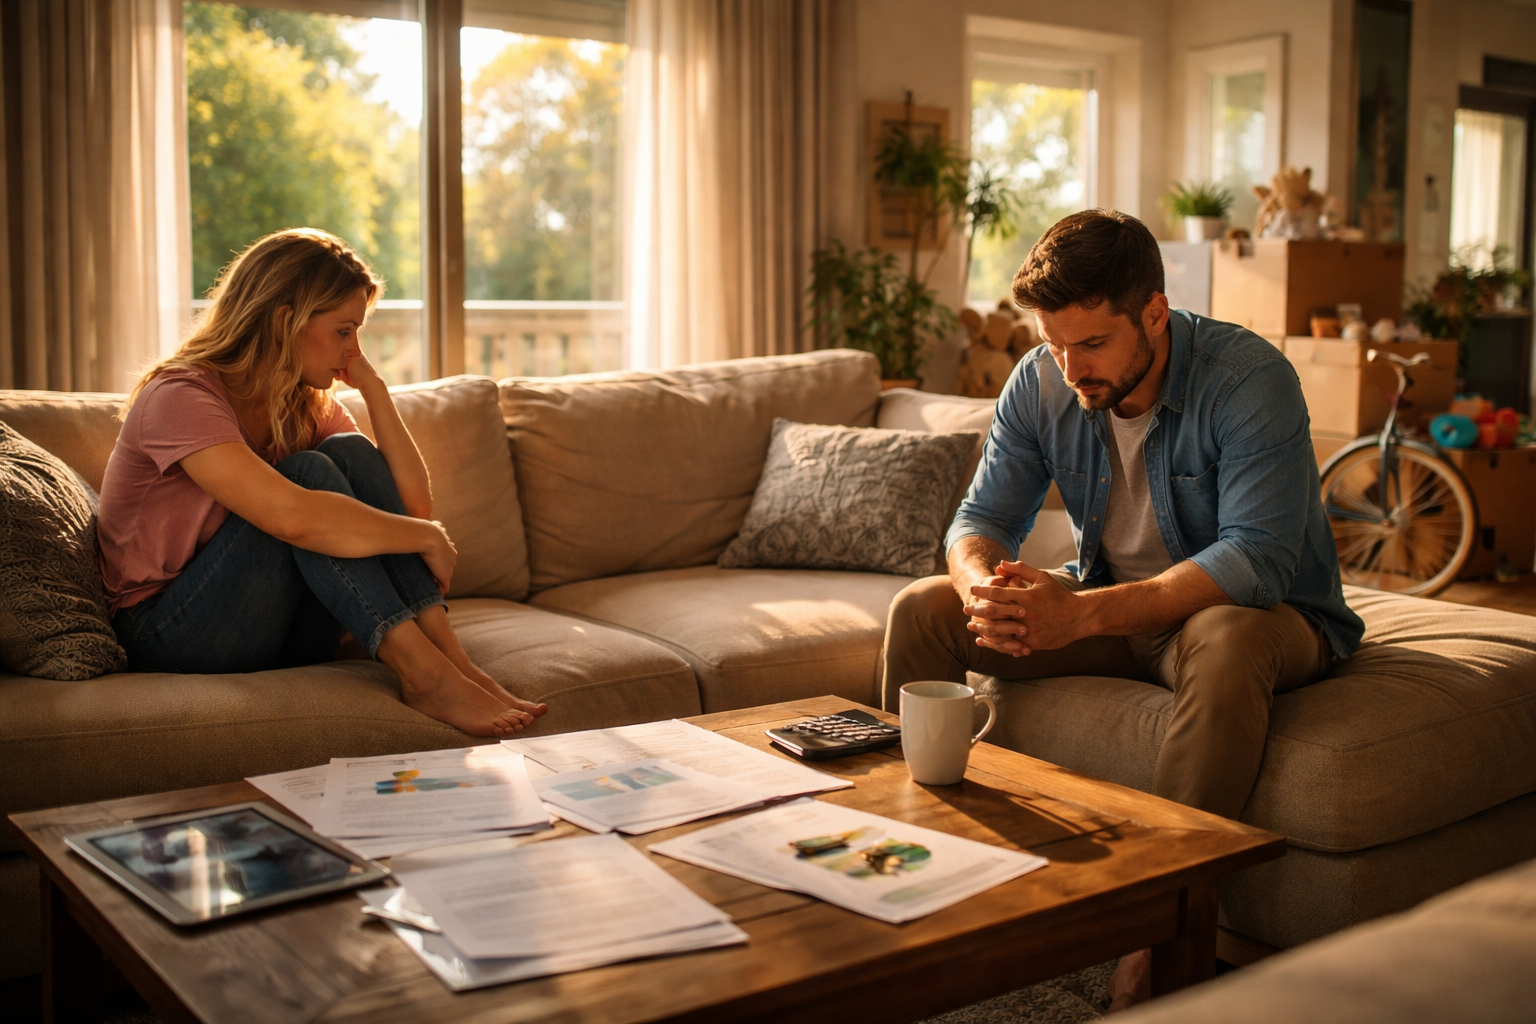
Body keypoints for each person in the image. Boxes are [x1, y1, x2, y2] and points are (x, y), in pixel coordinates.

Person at [881, 209, 1363, 1010]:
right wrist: (982, 587)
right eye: (1055, 342)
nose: (1070, 366)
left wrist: (1081, 616)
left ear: (1152, 314)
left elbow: (1257, 560)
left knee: (1227, 634)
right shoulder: (1040, 379)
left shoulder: (1248, 382)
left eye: (1092, 344)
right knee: (924, 609)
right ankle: (913, 865)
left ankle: (1157, 938)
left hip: (1273, 617)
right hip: (1115, 604)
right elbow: (980, 523)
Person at [98, 228, 547, 738]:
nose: (352, 352)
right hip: (169, 631)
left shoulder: (301, 403)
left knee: (348, 454)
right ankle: (423, 674)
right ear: (285, 321)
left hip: (279, 626)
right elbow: (296, 516)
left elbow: (411, 506)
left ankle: (451, 659)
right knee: (305, 479)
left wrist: (375, 390)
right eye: (343, 331)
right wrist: (427, 537)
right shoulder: (179, 396)